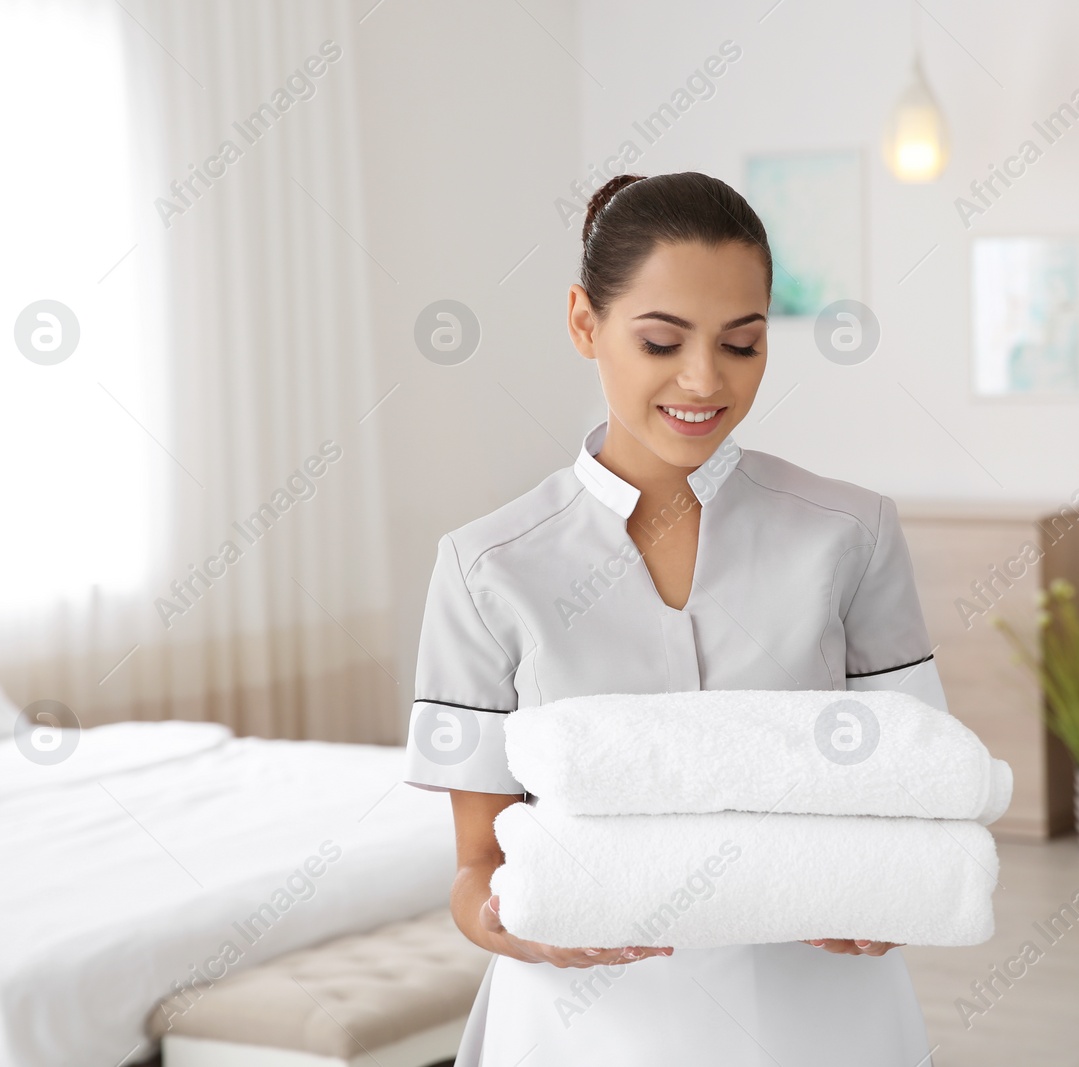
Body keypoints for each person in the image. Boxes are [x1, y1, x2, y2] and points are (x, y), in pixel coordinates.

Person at [403, 170, 946, 1066]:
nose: (704, 381)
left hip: (819, 1015)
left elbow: (913, 790)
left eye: (743, 344)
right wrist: (520, 925)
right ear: (585, 322)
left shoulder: (850, 532)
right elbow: (476, 868)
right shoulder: (487, 565)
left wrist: (894, 896)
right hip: (582, 1024)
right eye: (662, 340)